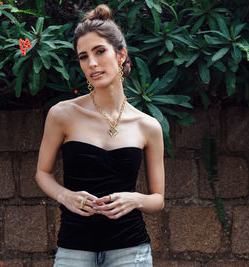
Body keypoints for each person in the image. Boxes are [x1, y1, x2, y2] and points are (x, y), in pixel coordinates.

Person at [36, 4, 165, 267]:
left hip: (131, 250)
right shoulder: (63, 114)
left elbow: (158, 199)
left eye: (99, 51)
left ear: (121, 55)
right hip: (74, 248)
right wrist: (64, 195)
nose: (92, 63)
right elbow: (42, 173)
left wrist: (135, 199)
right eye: (83, 56)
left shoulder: (148, 125)